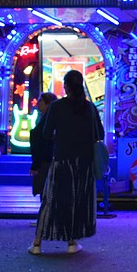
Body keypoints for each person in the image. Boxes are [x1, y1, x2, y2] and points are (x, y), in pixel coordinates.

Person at [29, 70, 101, 255]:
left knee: (52, 200)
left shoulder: (57, 107)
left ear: (66, 86)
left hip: (62, 159)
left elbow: (45, 133)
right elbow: (99, 134)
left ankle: (37, 243)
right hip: (85, 162)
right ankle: (71, 242)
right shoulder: (90, 108)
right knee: (77, 201)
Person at [29, 92, 57, 201]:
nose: (37, 103)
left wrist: (35, 164)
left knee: (45, 191)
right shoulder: (46, 118)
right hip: (46, 159)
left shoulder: (47, 120)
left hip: (45, 161)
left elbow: (42, 142)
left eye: (40, 101)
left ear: (48, 103)